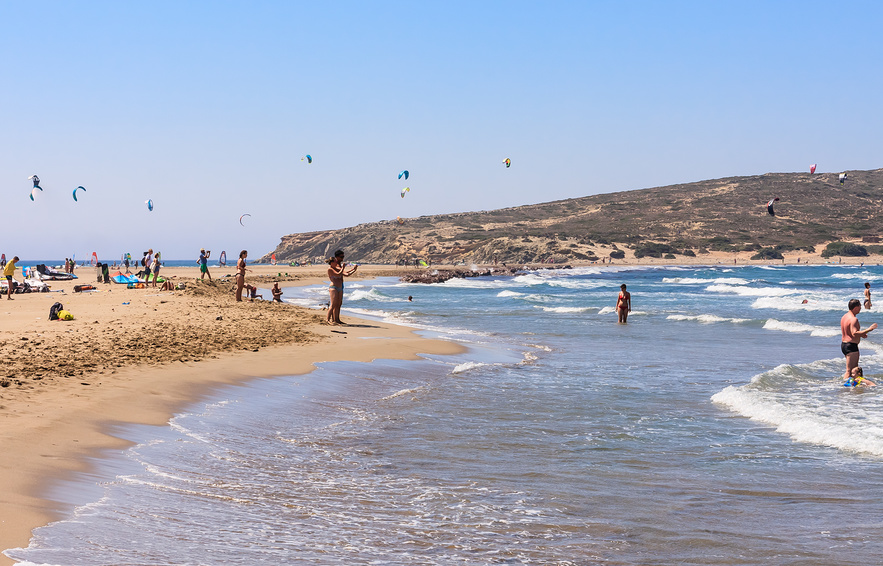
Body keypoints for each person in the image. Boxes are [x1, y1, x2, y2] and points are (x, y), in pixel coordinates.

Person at [840, 298, 877, 381]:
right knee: (850, 371)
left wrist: (862, 334)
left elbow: (849, 332)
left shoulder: (845, 316)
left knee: (851, 370)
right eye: (860, 306)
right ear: (855, 307)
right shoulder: (854, 319)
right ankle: (844, 387)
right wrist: (869, 329)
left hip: (844, 345)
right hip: (851, 346)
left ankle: (850, 386)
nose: (861, 308)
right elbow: (854, 333)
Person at [326, 249, 357, 324]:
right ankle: (328, 320)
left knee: (339, 304)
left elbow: (345, 273)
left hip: (340, 286)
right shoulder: (332, 267)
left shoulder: (338, 265)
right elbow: (339, 273)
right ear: (336, 258)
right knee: (333, 304)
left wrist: (353, 269)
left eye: (343, 256)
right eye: (341, 256)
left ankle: (336, 319)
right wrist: (344, 268)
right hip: (334, 287)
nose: (342, 258)